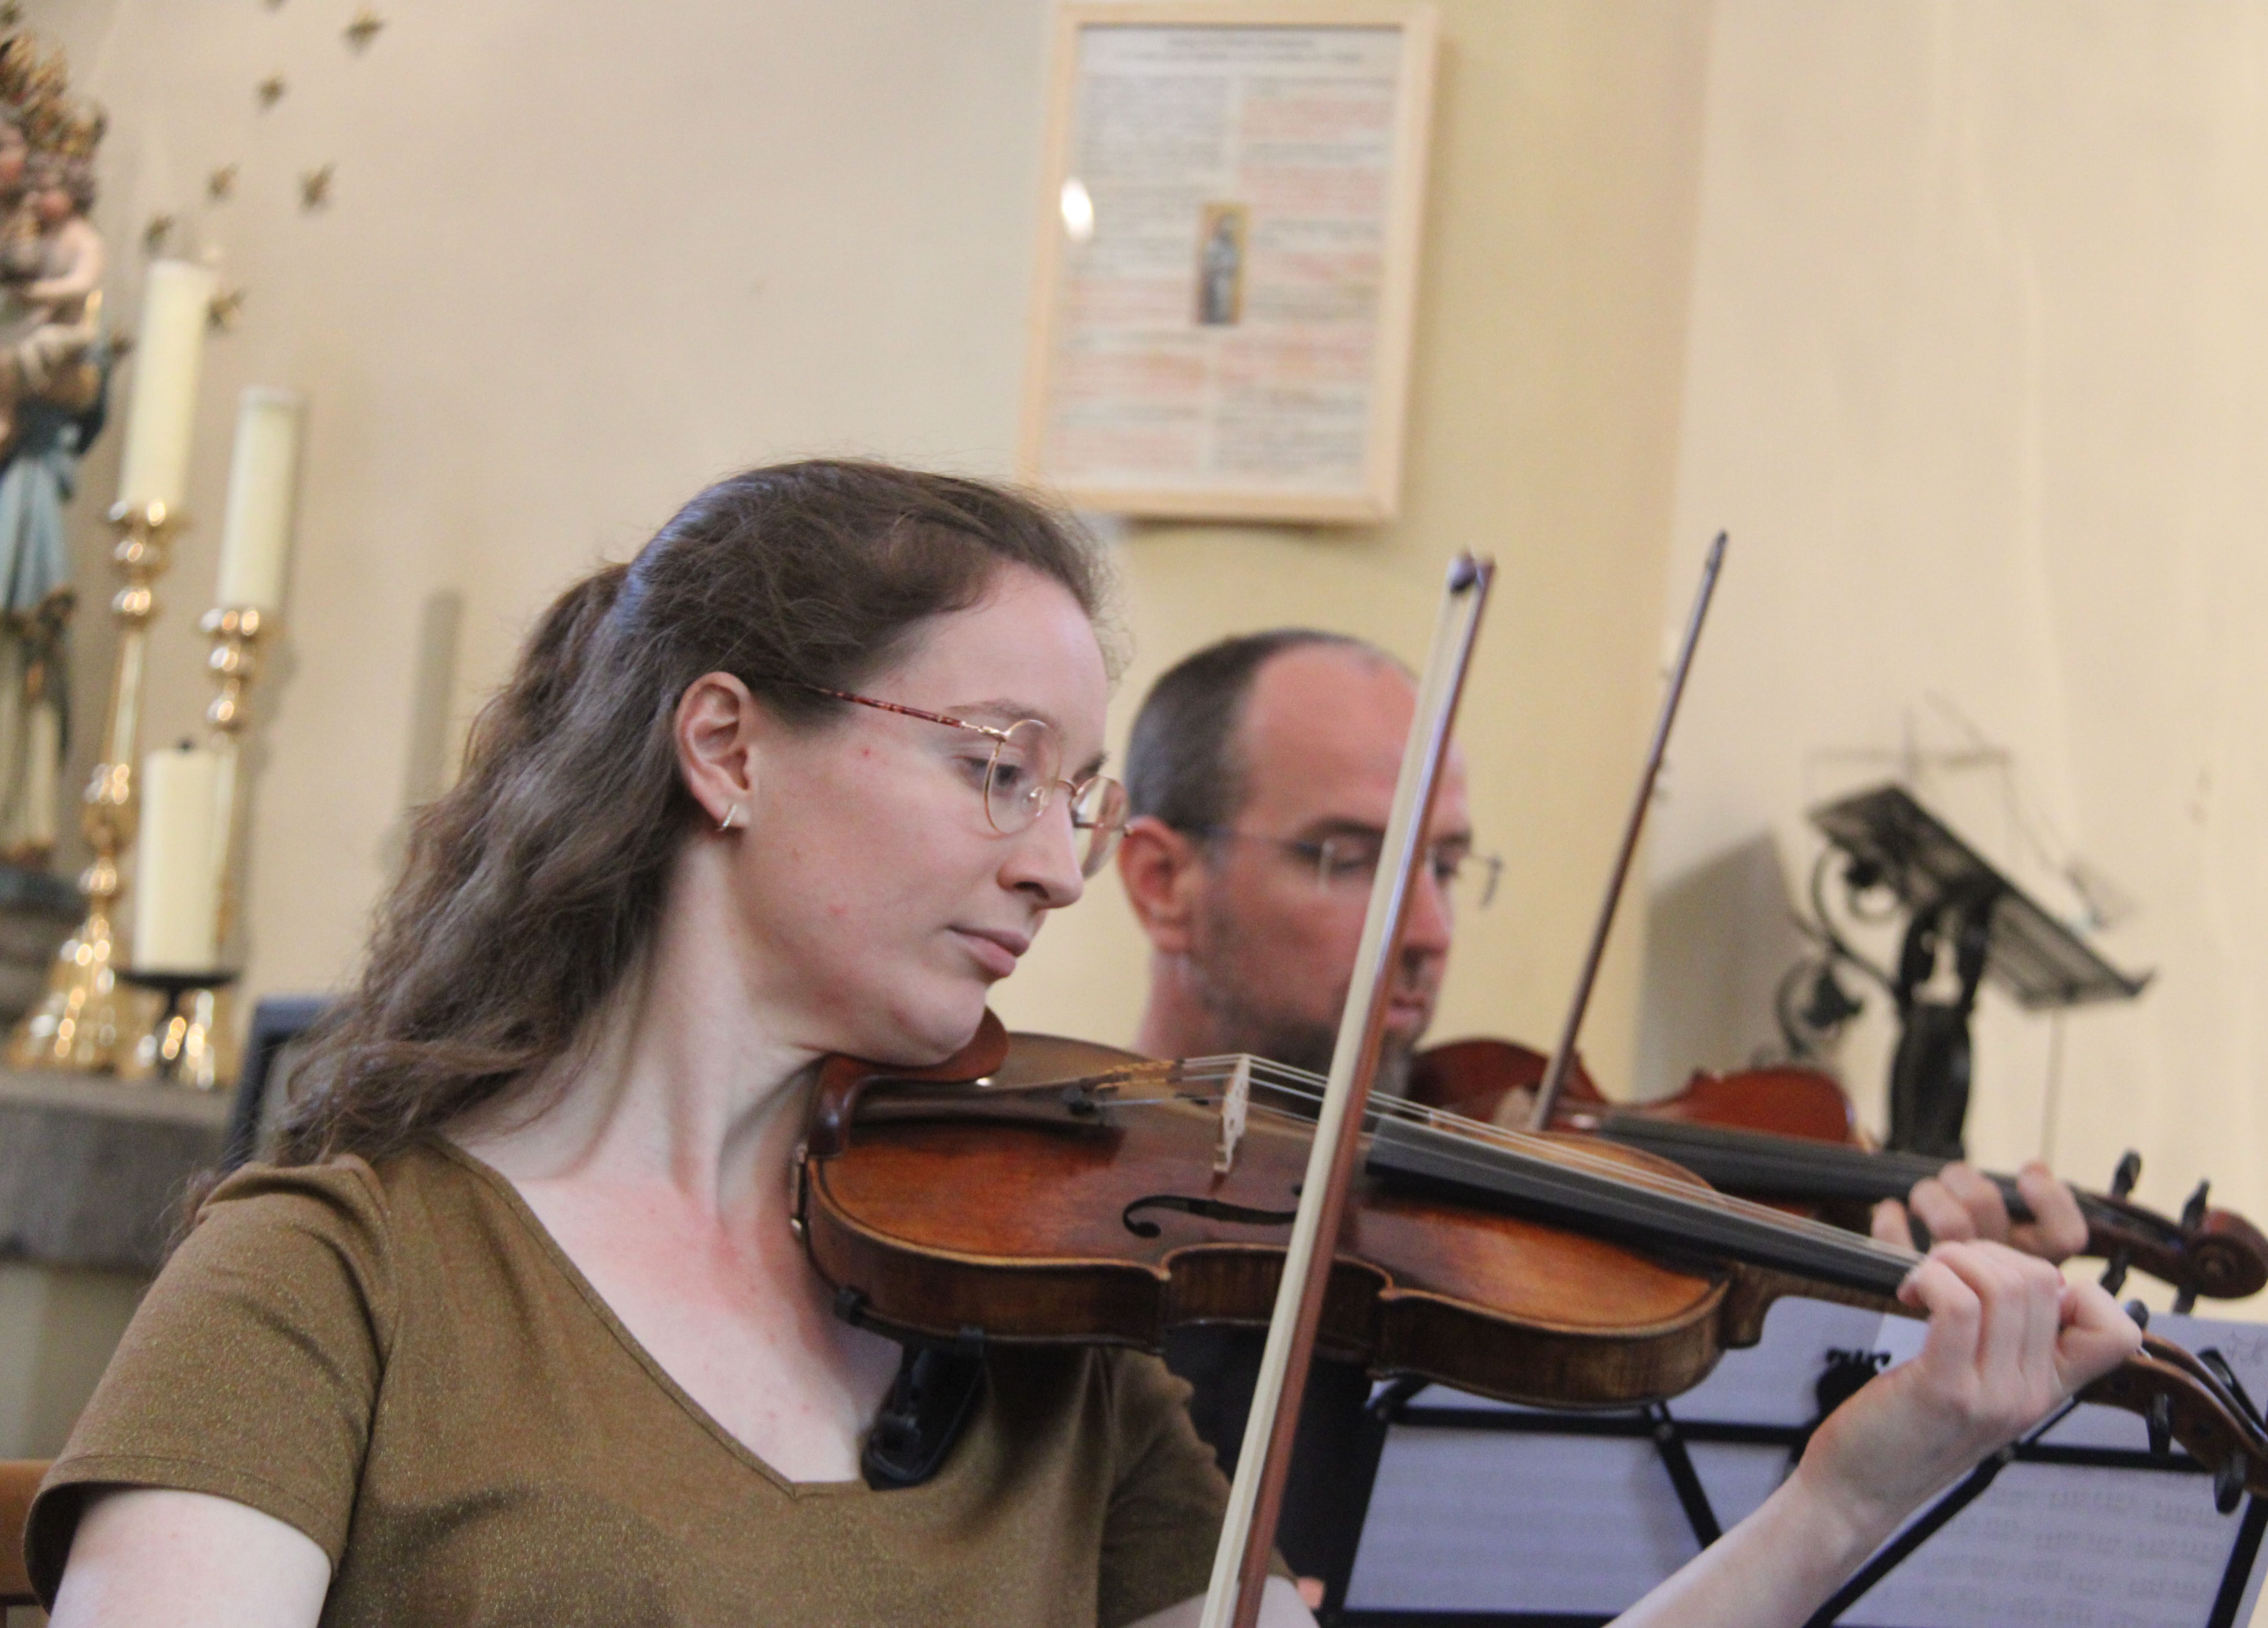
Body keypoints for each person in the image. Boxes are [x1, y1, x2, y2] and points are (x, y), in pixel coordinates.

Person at [26, 462, 2137, 1628]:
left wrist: (1851, 1496)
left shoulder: (1043, 1338)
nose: (1055, 862)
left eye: (1077, 791)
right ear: (729, 747)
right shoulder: (336, 1279)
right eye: (997, 766)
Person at [1117, 629, 2099, 1593]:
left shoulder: (1485, 1243)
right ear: (1162, 881)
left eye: (1447, 866)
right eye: (1351, 858)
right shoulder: (1080, 1266)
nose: (1430, 929)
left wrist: (1913, 1327)